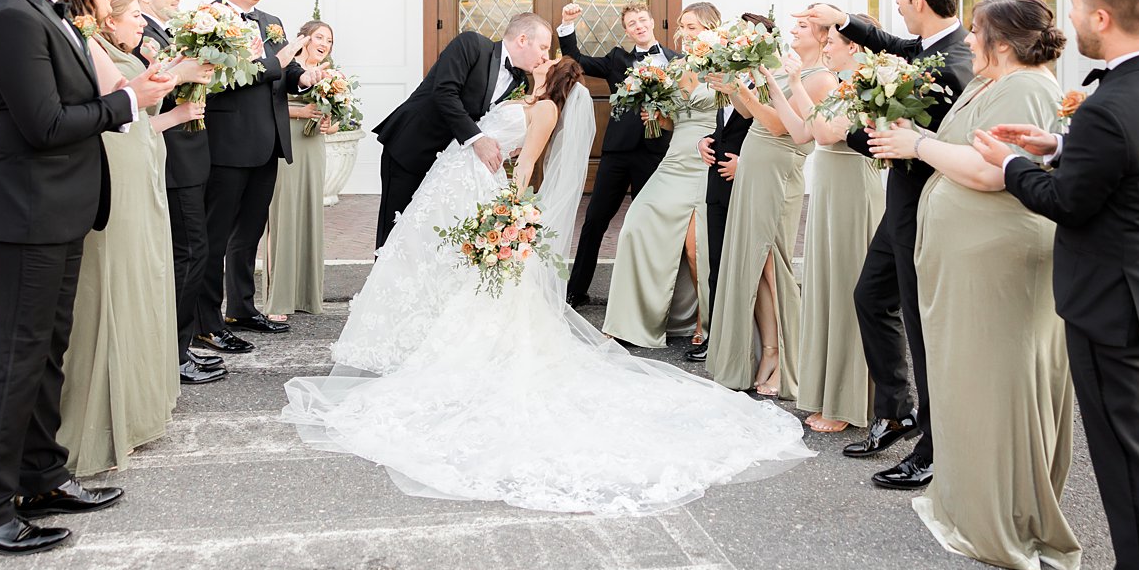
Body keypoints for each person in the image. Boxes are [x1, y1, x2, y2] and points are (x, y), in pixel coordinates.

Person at [283, 56, 812, 514]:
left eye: (543, 62)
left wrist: (509, 218)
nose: (534, 63)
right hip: (470, 192)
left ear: (554, 77)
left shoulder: (545, 108)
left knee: (495, 306)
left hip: (500, 208)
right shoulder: (525, 98)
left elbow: (527, 165)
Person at [0, 0, 173, 556]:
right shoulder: (11, 19)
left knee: (49, 350)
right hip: (22, 210)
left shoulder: (44, 11)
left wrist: (125, 95)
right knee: (14, 360)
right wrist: (129, 100)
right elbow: (44, 124)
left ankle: (42, 476)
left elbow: (70, 101)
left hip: (58, 206)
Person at [974, 0, 1139, 570]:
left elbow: (1067, 203)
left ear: (1103, 16)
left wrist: (1014, 166)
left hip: (1111, 306)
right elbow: (1137, 160)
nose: (1070, 14)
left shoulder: (1108, 105)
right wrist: (1057, 146)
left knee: (1126, 453)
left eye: (1075, 5)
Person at [869, 0, 1080, 570]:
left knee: (995, 381)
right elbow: (963, 146)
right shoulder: (991, 81)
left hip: (1000, 260)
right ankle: (968, 500)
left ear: (1004, 43)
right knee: (966, 377)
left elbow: (994, 173)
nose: (967, 41)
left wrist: (918, 145)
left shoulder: (1029, 88)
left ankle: (1002, 513)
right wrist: (913, 131)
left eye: (978, 32)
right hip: (968, 258)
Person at [795, 0, 974, 491]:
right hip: (899, 209)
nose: (895, 0)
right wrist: (844, 20)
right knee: (871, 298)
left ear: (919, 0)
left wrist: (849, 136)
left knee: (923, 330)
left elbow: (928, 141)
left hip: (926, 210)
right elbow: (893, 47)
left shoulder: (954, 62)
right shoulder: (927, 48)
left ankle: (936, 448)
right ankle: (897, 410)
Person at [55, 0, 203, 477]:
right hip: (116, 167)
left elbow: (136, 116)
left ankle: (142, 402)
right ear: (106, 14)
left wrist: (173, 98)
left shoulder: (120, 49)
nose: (142, 20)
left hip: (142, 162)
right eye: (134, 14)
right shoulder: (88, 44)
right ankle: (104, 416)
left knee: (146, 278)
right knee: (116, 286)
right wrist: (174, 76)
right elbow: (115, 108)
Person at [763, 18, 884, 433]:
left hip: (853, 190)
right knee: (827, 287)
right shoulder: (839, 83)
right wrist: (773, 86)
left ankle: (848, 402)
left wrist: (797, 82)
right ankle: (827, 392)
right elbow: (800, 133)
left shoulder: (857, 86)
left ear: (854, 47)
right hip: (831, 190)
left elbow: (828, 133)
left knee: (846, 289)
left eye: (832, 41)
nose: (826, 47)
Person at [705, 13, 831, 399]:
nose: (793, 31)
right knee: (755, 268)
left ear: (826, 37)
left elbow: (779, 126)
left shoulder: (821, 78)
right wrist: (732, 85)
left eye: (803, 27)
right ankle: (767, 350)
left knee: (773, 266)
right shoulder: (783, 67)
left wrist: (743, 90)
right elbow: (749, 114)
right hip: (755, 169)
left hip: (778, 173)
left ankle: (786, 360)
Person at [200, 0, 320, 346]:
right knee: (215, 237)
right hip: (228, 144)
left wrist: (303, 78)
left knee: (248, 233)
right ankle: (207, 323)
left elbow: (285, 74)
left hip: (268, 143)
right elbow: (221, 80)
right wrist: (280, 62)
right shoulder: (210, 22)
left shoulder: (271, 22)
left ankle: (241, 309)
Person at [372, 13, 552, 250]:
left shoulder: (520, 83)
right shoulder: (471, 44)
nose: (545, 56)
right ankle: (383, 286)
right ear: (522, 39)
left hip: (450, 167)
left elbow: (491, 121)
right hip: (412, 148)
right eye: (543, 47)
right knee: (395, 229)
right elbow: (444, 92)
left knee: (426, 232)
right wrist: (477, 139)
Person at [602, 2, 721, 349]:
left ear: (712, 28)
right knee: (635, 225)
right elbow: (672, 121)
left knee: (695, 248)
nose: (684, 33)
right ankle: (632, 318)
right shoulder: (679, 67)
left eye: (693, 27)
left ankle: (707, 324)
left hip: (704, 162)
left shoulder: (726, 67)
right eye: (682, 26)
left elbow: (734, 117)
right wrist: (654, 114)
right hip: (673, 161)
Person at [130, 0, 226, 384]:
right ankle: (172, 354)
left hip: (191, 151)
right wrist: (182, 71)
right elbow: (145, 86)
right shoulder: (140, 34)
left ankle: (181, 344)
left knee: (192, 252)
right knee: (188, 254)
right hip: (171, 157)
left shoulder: (170, 32)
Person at [557, 0, 678, 307]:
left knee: (646, 225)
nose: (639, 26)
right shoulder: (617, 59)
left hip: (655, 153)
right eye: (632, 23)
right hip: (617, 152)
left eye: (642, 20)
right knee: (595, 219)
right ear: (626, 30)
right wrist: (567, 25)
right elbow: (577, 60)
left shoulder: (677, 61)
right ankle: (576, 290)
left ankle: (646, 297)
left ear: (652, 21)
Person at [683, 19, 757, 366]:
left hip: (747, 186)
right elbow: (723, 127)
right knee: (716, 265)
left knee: (742, 265)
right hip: (717, 183)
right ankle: (717, 339)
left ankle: (743, 344)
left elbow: (777, 133)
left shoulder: (765, 87)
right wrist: (704, 141)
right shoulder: (724, 83)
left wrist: (748, 163)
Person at [265, 21, 337, 322]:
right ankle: (278, 299)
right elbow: (270, 104)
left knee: (310, 216)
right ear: (305, 39)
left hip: (313, 148)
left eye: (330, 40)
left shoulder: (333, 75)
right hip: (287, 145)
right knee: (284, 217)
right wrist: (302, 111)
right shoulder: (286, 67)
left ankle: (307, 296)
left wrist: (327, 125)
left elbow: (336, 122)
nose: (325, 43)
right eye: (319, 37)